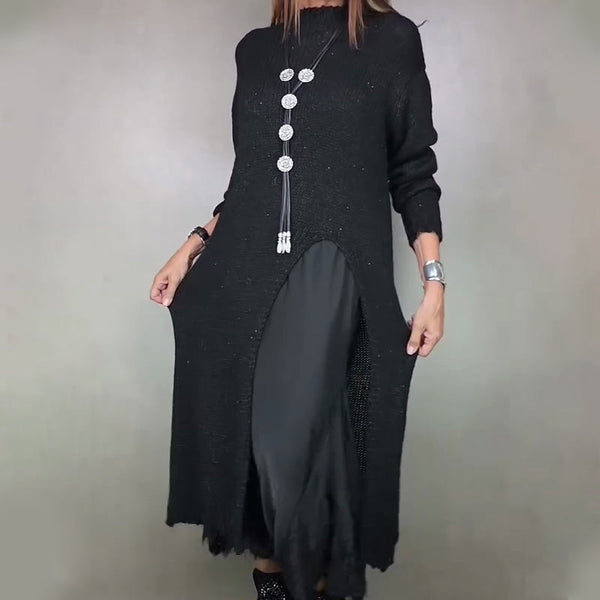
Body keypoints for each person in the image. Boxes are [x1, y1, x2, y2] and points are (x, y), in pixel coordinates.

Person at [150, 1, 445, 599]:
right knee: (259, 457)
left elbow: (412, 169)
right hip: (243, 270)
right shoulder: (255, 50)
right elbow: (252, 174)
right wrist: (194, 244)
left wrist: (433, 281)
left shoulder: (390, 41)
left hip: (332, 264)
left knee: (291, 445)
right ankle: (278, 585)